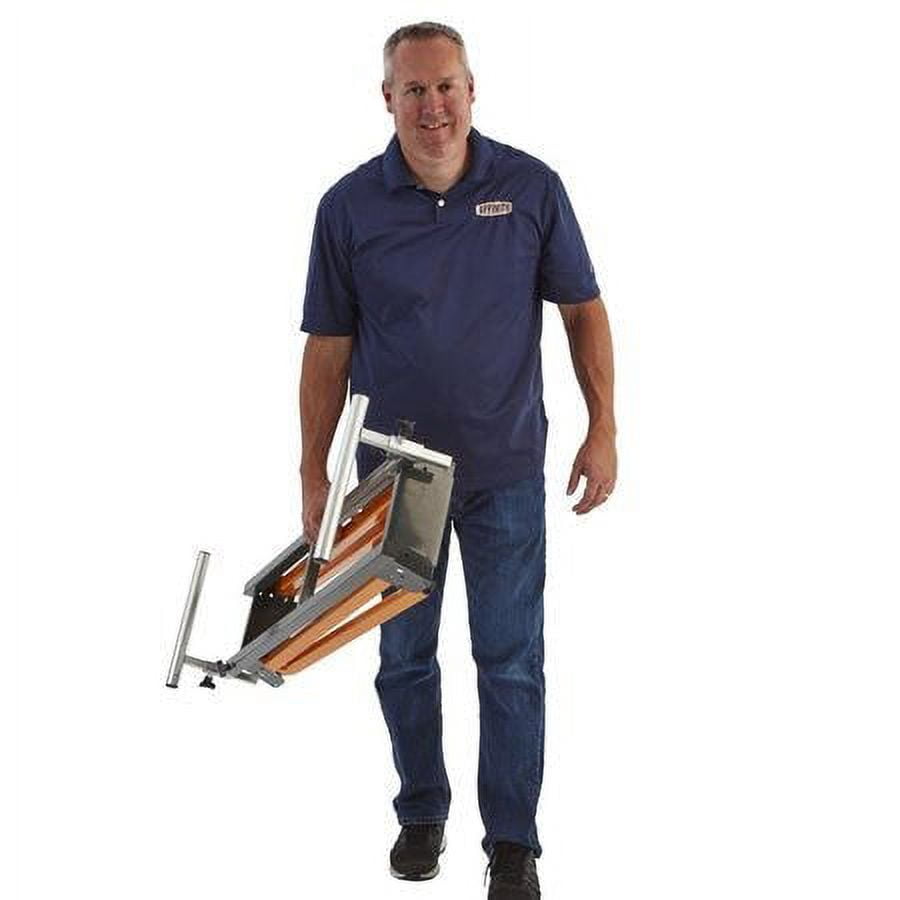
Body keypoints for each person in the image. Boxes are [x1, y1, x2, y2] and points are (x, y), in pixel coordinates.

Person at [298, 22, 616, 899]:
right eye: (414, 90)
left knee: (510, 660)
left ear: (472, 91)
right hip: (393, 482)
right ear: (387, 99)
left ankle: (512, 845)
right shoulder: (348, 207)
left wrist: (603, 427)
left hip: (504, 469)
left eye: (446, 87)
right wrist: (313, 473)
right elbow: (327, 347)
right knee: (404, 658)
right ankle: (421, 814)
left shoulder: (530, 188)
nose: (432, 107)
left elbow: (583, 308)